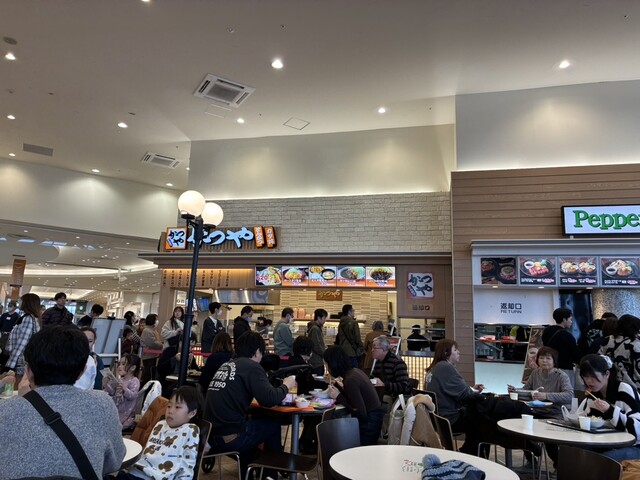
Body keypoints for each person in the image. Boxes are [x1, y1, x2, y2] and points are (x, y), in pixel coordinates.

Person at [0, 325, 125, 478]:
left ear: (28, 371)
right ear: (82, 372)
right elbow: (114, 462)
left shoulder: (4, 410)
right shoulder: (103, 405)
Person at [205, 331, 296, 479]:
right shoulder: (252, 366)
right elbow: (269, 399)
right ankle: (270, 475)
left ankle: (253, 472)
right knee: (273, 425)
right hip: (230, 438)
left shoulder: (228, 364)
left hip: (211, 436)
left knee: (255, 426)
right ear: (257, 351)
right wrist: (286, 385)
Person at [113, 385, 202, 480]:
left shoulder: (190, 430)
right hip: (135, 472)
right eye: (169, 406)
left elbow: (187, 464)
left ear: (192, 413)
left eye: (177, 407)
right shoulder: (160, 424)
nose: (170, 411)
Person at [425, 338, 485, 455]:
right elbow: (465, 395)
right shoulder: (445, 367)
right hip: (449, 418)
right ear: (446, 353)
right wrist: (473, 392)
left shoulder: (435, 368)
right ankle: (470, 455)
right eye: (455, 350)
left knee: (478, 419)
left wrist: (472, 389)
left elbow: (454, 390)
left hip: (438, 418)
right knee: (483, 420)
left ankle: (468, 452)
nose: (459, 352)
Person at [578, 353, 640, 461]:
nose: (588, 381)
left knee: (603, 460)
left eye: (593, 376)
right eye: (585, 376)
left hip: (633, 446)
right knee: (575, 451)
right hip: (605, 443)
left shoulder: (624, 390)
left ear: (607, 374)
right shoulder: (593, 395)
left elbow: (637, 429)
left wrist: (610, 411)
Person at [324, 345, 385, 446]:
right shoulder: (354, 372)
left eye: (326, 364)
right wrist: (336, 385)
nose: (326, 367)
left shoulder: (350, 379)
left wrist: (338, 396)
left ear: (333, 364)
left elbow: (360, 412)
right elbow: (352, 398)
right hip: (374, 418)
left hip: (369, 424)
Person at [508, 346, 572, 419]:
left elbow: (569, 395)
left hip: (555, 414)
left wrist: (546, 396)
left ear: (554, 361)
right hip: (536, 412)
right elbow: (526, 389)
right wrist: (515, 390)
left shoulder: (561, 376)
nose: (544, 360)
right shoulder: (535, 372)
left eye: (548, 358)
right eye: (541, 358)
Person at [542, 307, 581, 388]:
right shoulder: (567, 336)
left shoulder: (546, 332)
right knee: (565, 391)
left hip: (549, 367)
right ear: (564, 319)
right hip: (565, 369)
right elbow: (575, 354)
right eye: (570, 319)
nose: (571, 322)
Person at [5, 293, 42, 377]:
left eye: (21, 300)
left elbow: (22, 343)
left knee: (17, 382)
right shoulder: (32, 318)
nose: (19, 302)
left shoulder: (28, 319)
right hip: (24, 358)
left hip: (21, 359)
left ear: (27, 303)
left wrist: (11, 363)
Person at [601, 314, 640, 390]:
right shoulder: (635, 344)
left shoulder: (607, 340)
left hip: (611, 383)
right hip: (631, 386)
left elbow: (600, 359)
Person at [104, 353, 141, 429]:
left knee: (117, 425)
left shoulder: (135, 381)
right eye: (119, 364)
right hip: (117, 409)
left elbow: (133, 396)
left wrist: (125, 389)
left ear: (133, 367)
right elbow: (113, 392)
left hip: (126, 413)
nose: (119, 366)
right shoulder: (121, 379)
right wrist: (106, 384)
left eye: (123, 364)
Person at [337, 304, 363, 368]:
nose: (354, 312)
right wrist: (361, 347)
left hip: (342, 351)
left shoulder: (341, 323)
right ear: (349, 312)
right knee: (354, 371)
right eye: (353, 311)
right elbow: (357, 338)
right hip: (352, 352)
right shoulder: (354, 323)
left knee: (345, 371)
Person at [140, 313, 163, 386]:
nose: (157, 321)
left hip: (153, 355)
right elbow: (153, 343)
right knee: (147, 375)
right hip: (148, 356)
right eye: (156, 319)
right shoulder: (147, 330)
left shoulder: (153, 330)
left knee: (151, 374)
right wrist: (161, 345)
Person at [307, 308, 328, 375]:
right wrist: (324, 354)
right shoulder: (315, 329)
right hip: (316, 361)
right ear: (319, 318)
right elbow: (316, 345)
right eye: (324, 318)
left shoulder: (315, 327)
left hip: (315, 360)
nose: (325, 320)